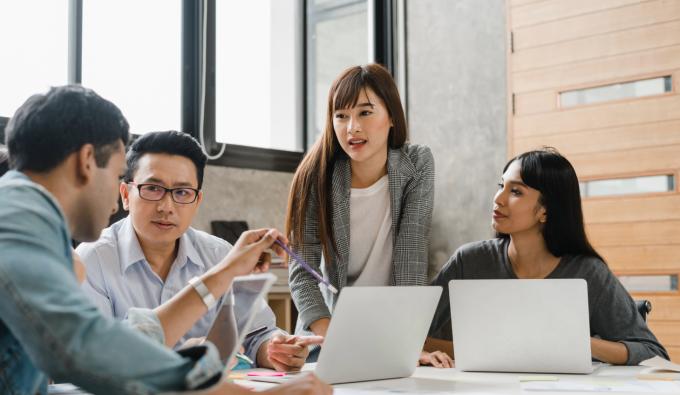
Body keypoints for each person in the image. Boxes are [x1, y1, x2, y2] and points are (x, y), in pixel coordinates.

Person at [0, 85, 331, 395]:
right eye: (118, 176)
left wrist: (224, 275)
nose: (115, 204)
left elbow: (114, 343)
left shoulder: (24, 214)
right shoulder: (17, 218)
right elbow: (82, 348)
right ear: (87, 162)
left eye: (182, 192)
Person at [77, 130, 322, 371]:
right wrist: (180, 359)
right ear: (125, 195)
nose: (166, 206)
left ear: (197, 201)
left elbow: (257, 335)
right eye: (152, 188)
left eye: (182, 192)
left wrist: (276, 350)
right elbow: (95, 360)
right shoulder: (93, 259)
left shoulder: (219, 254)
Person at [427, 147, 669, 366]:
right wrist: (426, 351)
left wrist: (577, 344)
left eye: (516, 191)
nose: (498, 199)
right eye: (501, 186)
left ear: (545, 209)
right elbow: (411, 335)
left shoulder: (588, 273)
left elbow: (652, 352)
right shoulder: (469, 261)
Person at [285, 64, 448, 367]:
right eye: (341, 116)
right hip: (329, 334)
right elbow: (302, 273)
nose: (352, 128)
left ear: (391, 117)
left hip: (389, 336)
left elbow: (412, 255)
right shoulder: (315, 174)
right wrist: (340, 342)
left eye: (365, 113)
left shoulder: (417, 164)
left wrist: (408, 345)